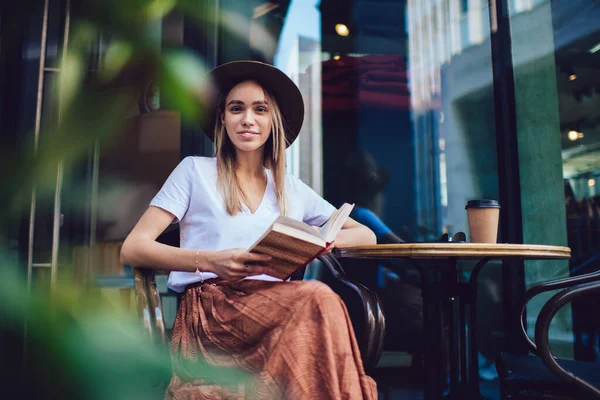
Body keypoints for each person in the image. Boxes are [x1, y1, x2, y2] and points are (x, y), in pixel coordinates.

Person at [120, 60, 378, 399]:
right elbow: (133, 247)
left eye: (260, 110)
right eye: (236, 109)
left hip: (278, 309)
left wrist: (322, 240)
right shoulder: (195, 172)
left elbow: (365, 234)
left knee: (315, 302)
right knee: (316, 297)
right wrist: (211, 261)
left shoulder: (290, 187)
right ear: (222, 119)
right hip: (213, 313)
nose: (247, 119)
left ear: (273, 121)